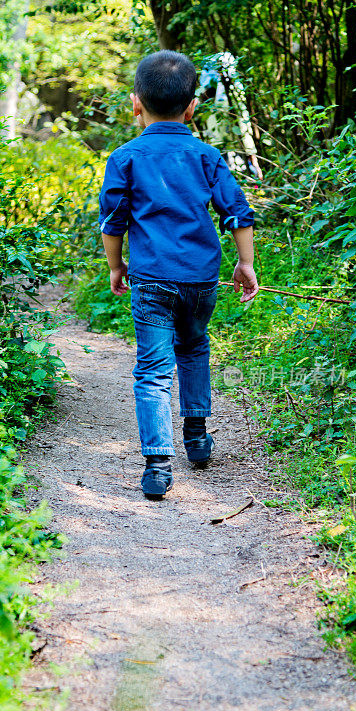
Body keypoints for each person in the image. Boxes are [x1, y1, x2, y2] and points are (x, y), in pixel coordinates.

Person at [98, 50, 259, 499]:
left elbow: (113, 222)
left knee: (151, 370)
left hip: (151, 279)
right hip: (201, 277)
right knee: (194, 348)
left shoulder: (126, 157)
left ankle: (157, 465)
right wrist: (244, 264)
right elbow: (238, 214)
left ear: (135, 103)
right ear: (191, 107)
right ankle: (197, 436)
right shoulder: (206, 155)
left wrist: (117, 266)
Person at [199, 52, 263, 181]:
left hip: (233, 148)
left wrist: (253, 157)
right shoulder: (230, 92)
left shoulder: (232, 92)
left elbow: (243, 123)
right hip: (225, 148)